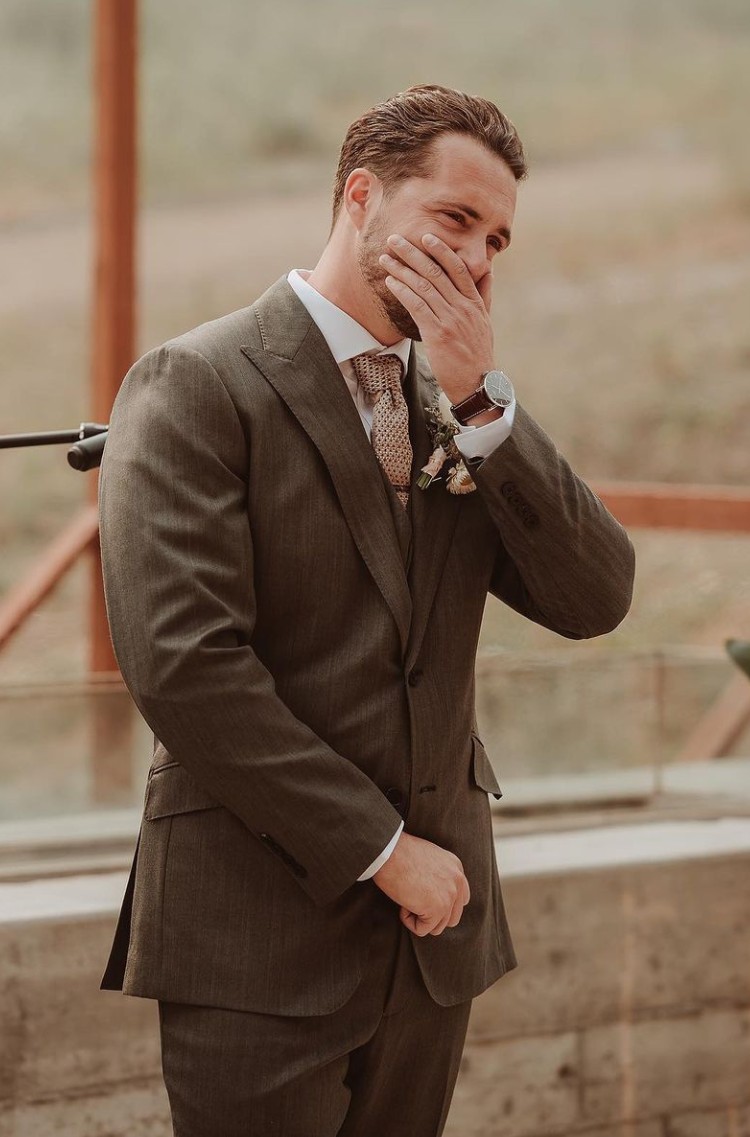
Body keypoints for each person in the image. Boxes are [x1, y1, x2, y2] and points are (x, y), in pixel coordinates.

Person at [98, 84, 635, 1137]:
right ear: (361, 198)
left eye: (496, 240)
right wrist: (382, 849)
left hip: (432, 952)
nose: (478, 260)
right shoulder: (195, 381)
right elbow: (184, 664)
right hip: (256, 942)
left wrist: (483, 403)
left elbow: (597, 597)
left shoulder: (455, 409)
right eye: (453, 219)